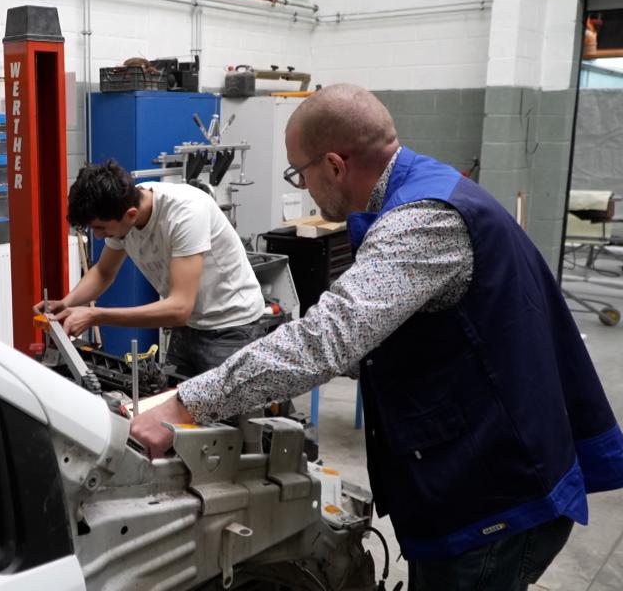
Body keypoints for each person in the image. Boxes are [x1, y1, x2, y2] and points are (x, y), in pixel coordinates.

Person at [129, 84, 623, 590]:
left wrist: (182, 406)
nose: (302, 186)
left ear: (336, 166)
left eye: (299, 172)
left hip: (495, 493)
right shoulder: (425, 191)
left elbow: (326, 341)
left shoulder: (423, 221)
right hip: (479, 468)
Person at [36, 160, 263, 376]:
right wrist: (66, 303)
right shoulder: (123, 208)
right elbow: (103, 272)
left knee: (224, 416)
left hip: (232, 327)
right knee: (173, 405)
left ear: (131, 215)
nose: (97, 235)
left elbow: (179, 308)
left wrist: (95, 315)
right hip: (189, 326)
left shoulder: (185, 213)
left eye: (100, 228)